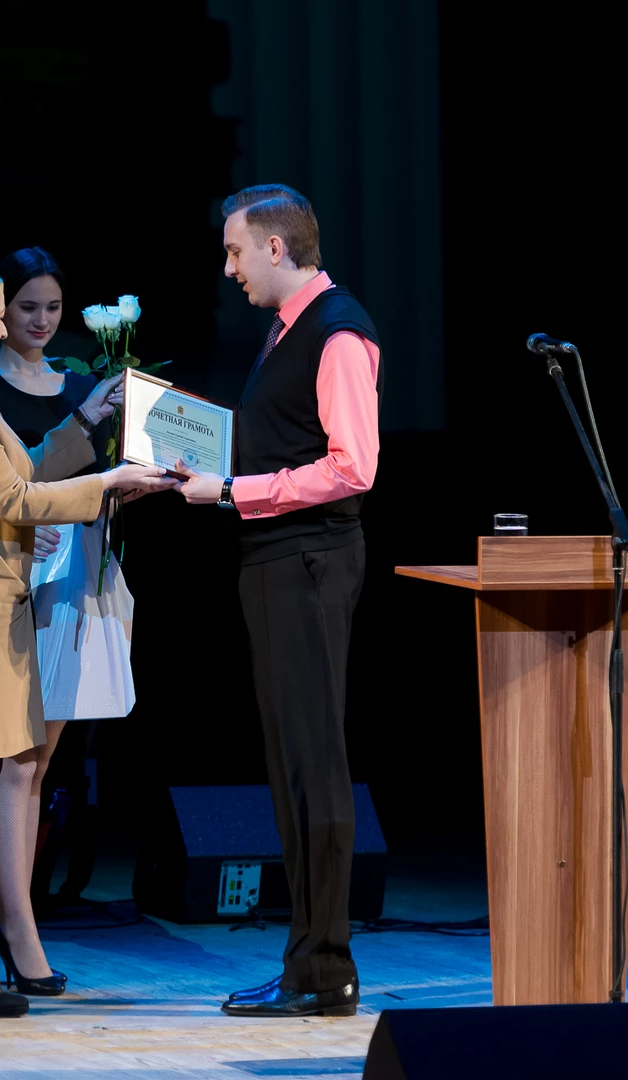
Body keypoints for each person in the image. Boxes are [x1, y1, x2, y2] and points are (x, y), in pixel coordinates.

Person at [0, 250, 175, 1024]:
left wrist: (95, 447)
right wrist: (107, 483)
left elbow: (28, 473)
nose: (2, 327)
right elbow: (13, 499)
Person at [175, 185, 382, 1018]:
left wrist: (232, 490)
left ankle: (323, 968)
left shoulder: (336, 331)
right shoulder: (291, 328)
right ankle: (309, 962)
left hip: (308, 560)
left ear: (273, 247)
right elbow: (282, 436)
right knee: (291, 764)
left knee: (312, 764)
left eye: (234, 251)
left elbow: (351, 468)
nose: (228, 269)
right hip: (277, 559)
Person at [0, 246, 135, 996]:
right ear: (0, 310)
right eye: (27, 307)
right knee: (8, 760)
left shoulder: (81, 385)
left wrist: (130, 485)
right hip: (8, 579)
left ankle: (13, 917)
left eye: (53, 308)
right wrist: (17, 522)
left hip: (72, 576)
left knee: (38, 761)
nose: (40, 320)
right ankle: (9, 925)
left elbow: (99, 485)